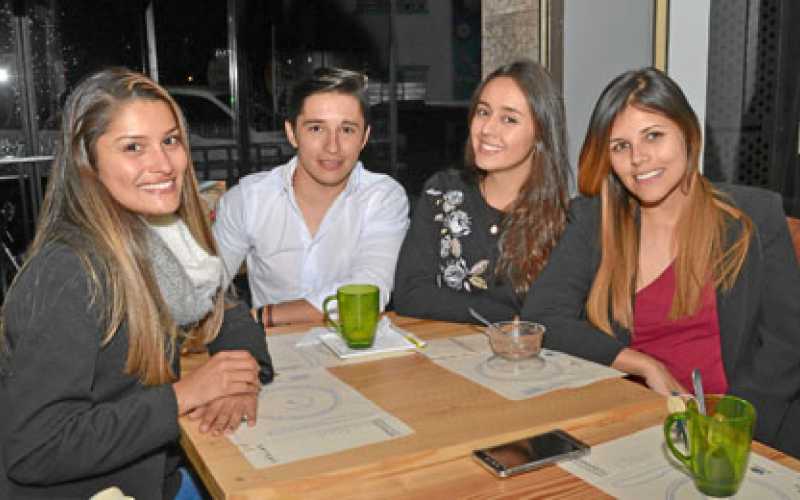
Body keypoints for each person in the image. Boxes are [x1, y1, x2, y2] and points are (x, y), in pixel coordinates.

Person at [0, 68, 274, 499]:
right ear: (86, 162)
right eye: (133, 147)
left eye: (170, 140)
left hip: (159, 475)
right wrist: (185, 395)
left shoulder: (163, 235)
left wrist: (239, 373)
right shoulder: (67, 273)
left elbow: (227, 309)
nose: (164, 165)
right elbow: (36, 447)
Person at [521, 67, 800, 457]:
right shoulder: (595, 220)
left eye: (653, 135)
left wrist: (728, 430)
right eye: (620, 146)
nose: (639, 158)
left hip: (746, 431)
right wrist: (641, 364)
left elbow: (786, 345)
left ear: (688, 134)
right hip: (639, 427)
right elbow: (543, 315)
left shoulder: (754, 216)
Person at [213, 67, 409, 327]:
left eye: (347, 130)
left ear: (365, 138)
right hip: (273, 354)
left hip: (355, 351)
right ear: (292, 133)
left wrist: (262, 316)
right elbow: (206, 288)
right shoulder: (248, 199)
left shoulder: (383, 197)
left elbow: (369, 290)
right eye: (316, 128)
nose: (332, 146)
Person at [393, 59, 571, 323]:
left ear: (541, 134)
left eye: (509, 119)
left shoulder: (564, 222)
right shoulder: (442, 194)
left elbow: (556, 318)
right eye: (483, 112)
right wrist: (511, 317)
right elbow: (410, 294)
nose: (487, 129)